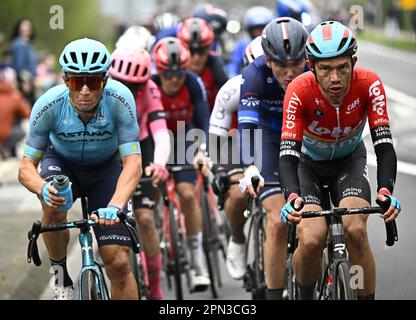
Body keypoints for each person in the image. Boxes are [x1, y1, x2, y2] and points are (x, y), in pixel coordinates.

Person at [278, 21, 401, 300]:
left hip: (349, 161)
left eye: (342, 67)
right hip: (306, 165)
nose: (335, 78)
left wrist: (385, 191)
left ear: (353, 62)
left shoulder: (369, 84)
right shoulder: (298, 90)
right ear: (312, 67)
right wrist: (291, 197)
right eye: (326, 69)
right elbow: (287, 155)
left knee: (356, 230)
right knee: (310, 239)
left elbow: (384, 146)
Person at [18, 38, 142, 300]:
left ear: (104, 81)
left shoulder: (120, 100)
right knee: (52, 203)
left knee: (118, 262)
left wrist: (117, 205)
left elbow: (133, 162)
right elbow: (26, 166)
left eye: (93, 82)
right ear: (65, 81)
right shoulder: (48, 105)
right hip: (62, 164)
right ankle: (60, 273)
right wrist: (42, 187)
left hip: (106, 169)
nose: (85, 90)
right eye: (76, 82)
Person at [238, 17, 308, 300]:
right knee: (278, 223)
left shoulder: (319, 68)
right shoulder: (254, 74)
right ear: (268, 61)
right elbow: (247, 128)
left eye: (296, 64)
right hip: (268, 140)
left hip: (306, 138)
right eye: (281, 66)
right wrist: (250, 166)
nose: (290, 73)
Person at [108, 46, 170, 300]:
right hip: (110, 150)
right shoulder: (103, 88)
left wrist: (160, 163)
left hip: (140, 144)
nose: (128, 91)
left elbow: (161, 132)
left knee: (144, 218)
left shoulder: (151, 90)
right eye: (123, 84)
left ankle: (155, 286)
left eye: (135, 87)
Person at [151, 37, 211, 291]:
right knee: (151, 194)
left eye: (179, 73)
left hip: (186, 138)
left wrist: (202, 152)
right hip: (155, 139)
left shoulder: (193, 83)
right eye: (168, 74)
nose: (174, 79)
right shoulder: (150, 85)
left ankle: (197, 262)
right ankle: (154, 234)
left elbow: (204, 122)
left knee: (187, 194)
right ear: (159, 71)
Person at [208, 36, 263, 280]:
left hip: (273, 145)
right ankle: (238, 238)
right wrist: (220, 171)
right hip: (236, 144)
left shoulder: (290, 85)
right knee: (238, 191)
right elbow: (216, 139)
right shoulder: (232, 89)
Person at [177, 17, 228, 110]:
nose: (196, 57)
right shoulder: (173, 68)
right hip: (183, 120)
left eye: (201, 51)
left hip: (213, 118)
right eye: (191, 51)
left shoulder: (216, 65)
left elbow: (228, 99)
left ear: (209, 49)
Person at [226, 6, 274, 78]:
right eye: (255, 29)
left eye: (261, 28)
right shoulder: (242, 46)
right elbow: (233, 66)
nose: (258, 33)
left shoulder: (274, 45)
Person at [0, 64, 31, 158]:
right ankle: (4, 146)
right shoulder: (14, 96)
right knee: (23, 130)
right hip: (4, 133)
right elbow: (27, 113)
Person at [10, 18, 38, 105]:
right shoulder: (19, 44)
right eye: (24, 25)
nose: (27, 28)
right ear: (19, 28)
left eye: (29, 26)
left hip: (30, 83)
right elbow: (19, 65)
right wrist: (25, 81)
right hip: (23, 84)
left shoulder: (29, 45)